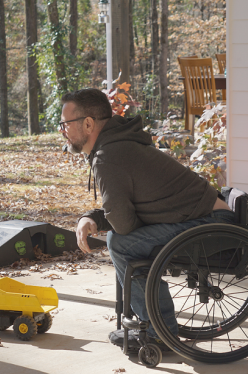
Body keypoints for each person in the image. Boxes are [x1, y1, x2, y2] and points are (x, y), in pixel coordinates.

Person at [59, 88, 235, 350]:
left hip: (211, 226)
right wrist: (93, 218)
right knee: (121, 240)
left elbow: (124, 224)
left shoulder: (109, 155)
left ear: (87, 123)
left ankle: (159, 334)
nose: (62, 130)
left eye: (65, 124)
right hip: (207, 219)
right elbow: (125, 212)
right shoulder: (115, 145)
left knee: (121, 243)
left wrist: (100, 219)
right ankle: (152, 326)